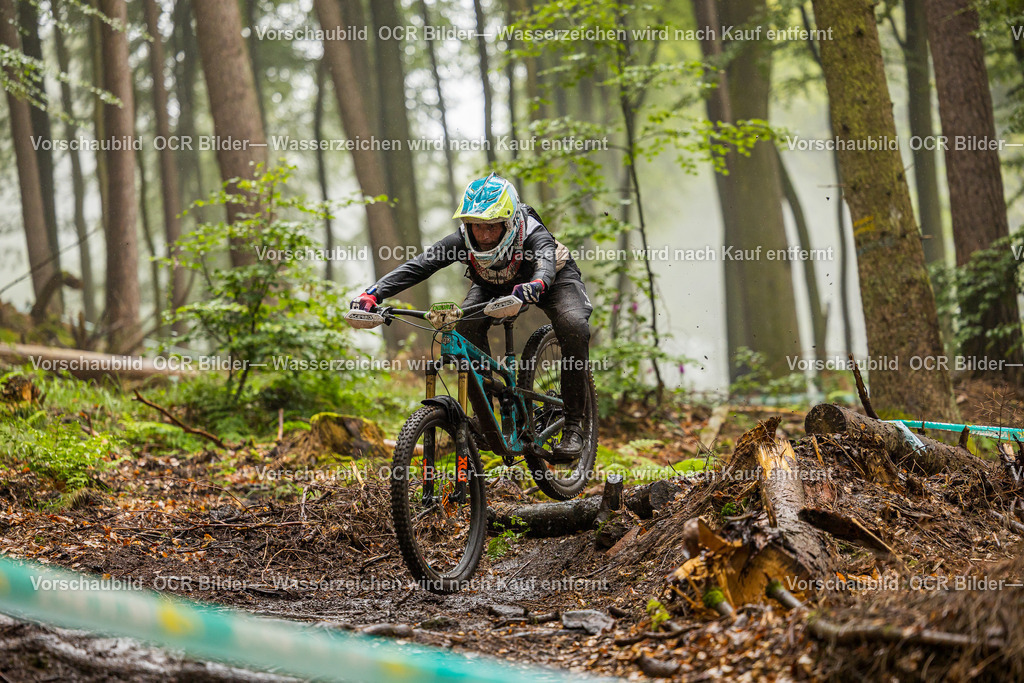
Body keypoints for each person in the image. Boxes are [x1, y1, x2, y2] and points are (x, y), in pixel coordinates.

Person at [350, 173, 592, 460]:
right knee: (464, 326)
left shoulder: (531, 232)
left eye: (492, 226)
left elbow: (545, 261)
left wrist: (538, 283)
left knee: (573, 326)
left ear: (509, 222)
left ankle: (574, 425)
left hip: (552, 279)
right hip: (493, 283)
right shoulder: (462, 239)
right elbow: (421, 265)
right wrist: (373, 293)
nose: (485, 235)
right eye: (477, 226)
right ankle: (485, 415)